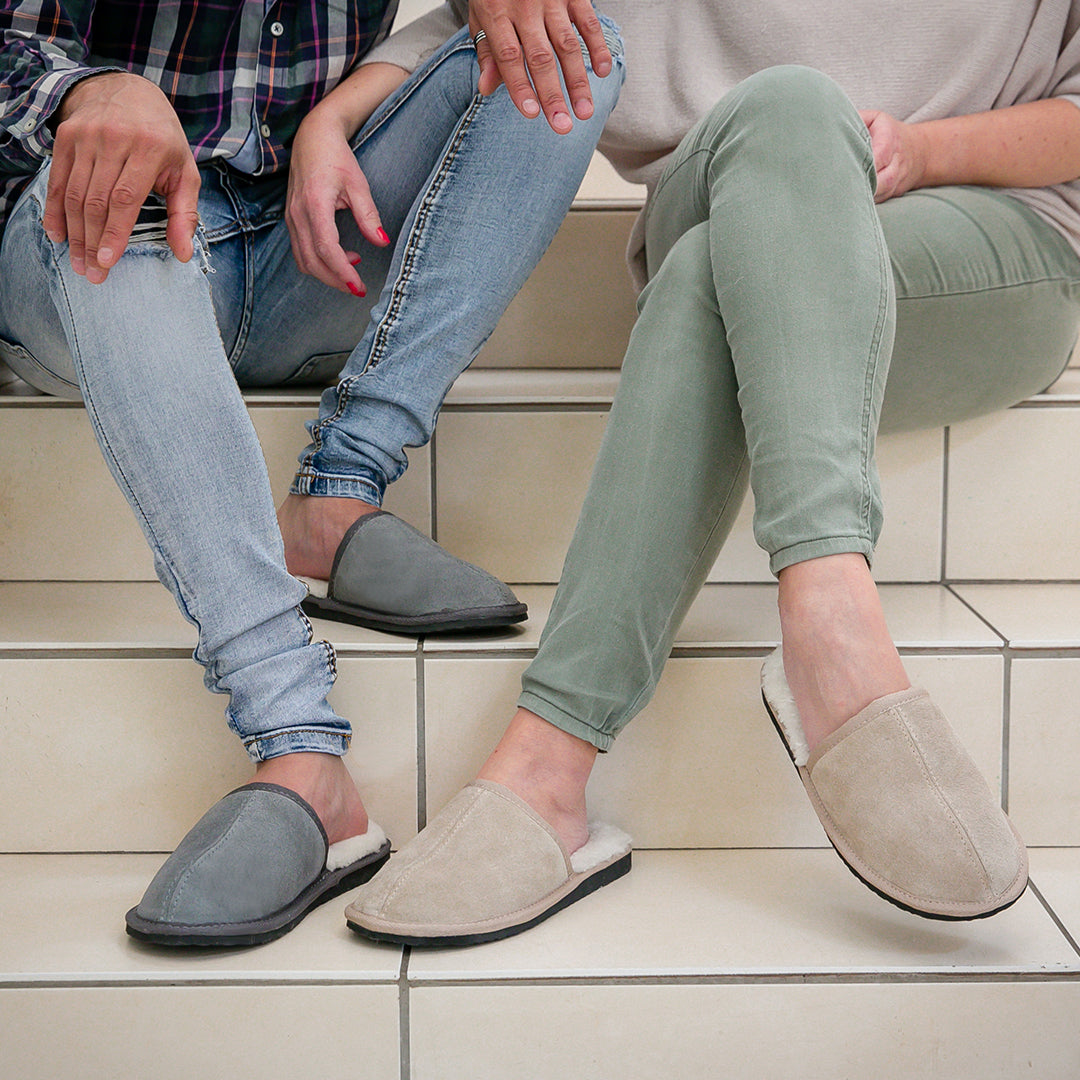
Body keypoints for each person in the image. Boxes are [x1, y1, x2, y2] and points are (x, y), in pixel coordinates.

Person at [345, 0, 1080, 946]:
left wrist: (924, 151)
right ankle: (834, 634)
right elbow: (494, 22)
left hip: (986, 238)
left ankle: (547, 766)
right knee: (792, 107)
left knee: (707, 277)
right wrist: (335, 116)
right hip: (732, 181)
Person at [0, 0, 624, 945]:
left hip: (310, 241)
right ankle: (298, 746)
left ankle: (339, 489)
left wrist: (343, 112)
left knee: (569, 44)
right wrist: (89, 92)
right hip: (98, 246)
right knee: (111, 180)